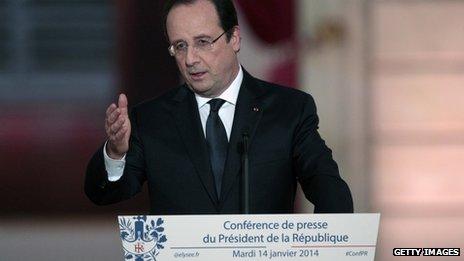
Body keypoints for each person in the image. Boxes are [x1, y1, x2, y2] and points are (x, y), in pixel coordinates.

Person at [85, 0, 353, 214]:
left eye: (203, 42)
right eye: (180, 46)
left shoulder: (289, 110)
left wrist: (325, 247)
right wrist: (116, 153)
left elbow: (330, 191)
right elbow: (104, 193)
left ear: (234, 38)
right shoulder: (151, 118)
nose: (190, 59)